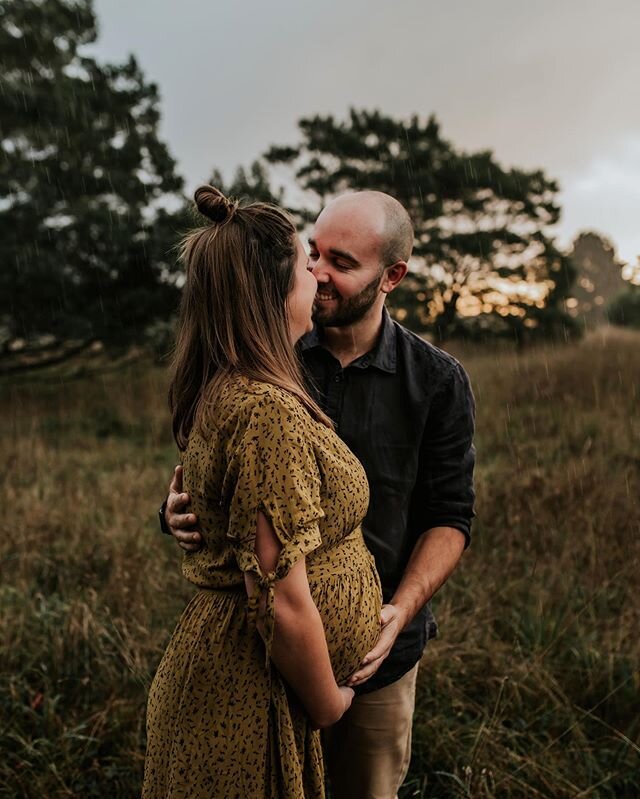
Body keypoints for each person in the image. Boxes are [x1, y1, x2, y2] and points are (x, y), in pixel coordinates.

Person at [165, 190, 476, 799]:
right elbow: (226, 486)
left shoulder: (436, 380)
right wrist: (177, 511)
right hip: (261, 663)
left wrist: (399, 612)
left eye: (342, 261)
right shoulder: (267, 359)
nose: (319, 273)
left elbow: (450, 515)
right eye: (312, 253)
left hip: (375, 664)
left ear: (393, 276)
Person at [143, 186, 383, 799]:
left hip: (251, 681)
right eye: (307, 262)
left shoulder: (235, 387)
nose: (317, 277)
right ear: (274, 291)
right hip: (245, 694)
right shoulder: (264, 411)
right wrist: (330, 703)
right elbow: (277, 595)